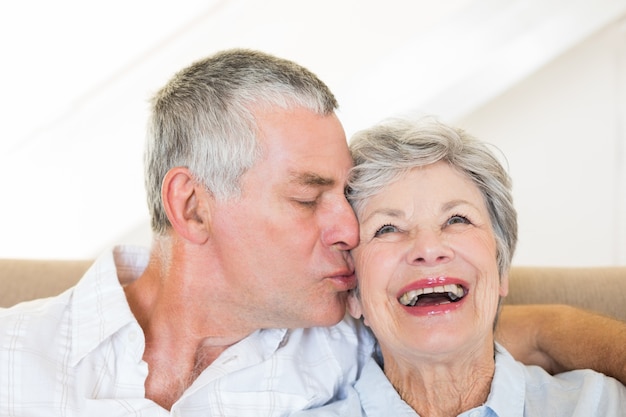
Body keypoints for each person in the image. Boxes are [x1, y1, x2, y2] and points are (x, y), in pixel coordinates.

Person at [0, 49, 624, 417]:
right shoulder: (14, 356)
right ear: (191, 207)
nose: (348, 227)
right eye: (307, 196)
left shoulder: (336, 338)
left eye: (343, 194)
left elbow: (479, 333)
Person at [340, 117, 626, 416]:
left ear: (501, 269)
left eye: (456, 220)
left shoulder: (598, 405)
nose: (428, 249)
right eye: (387, 228)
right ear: (353, 294)